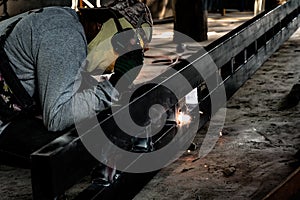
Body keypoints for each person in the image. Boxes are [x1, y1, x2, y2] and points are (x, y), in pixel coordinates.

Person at [0, 0, 153, 167]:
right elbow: (57, 117)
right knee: (85, 144)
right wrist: (115, 86)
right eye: (124, 44)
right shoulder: (65, 36)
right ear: (98, 25)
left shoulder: (65, 20)